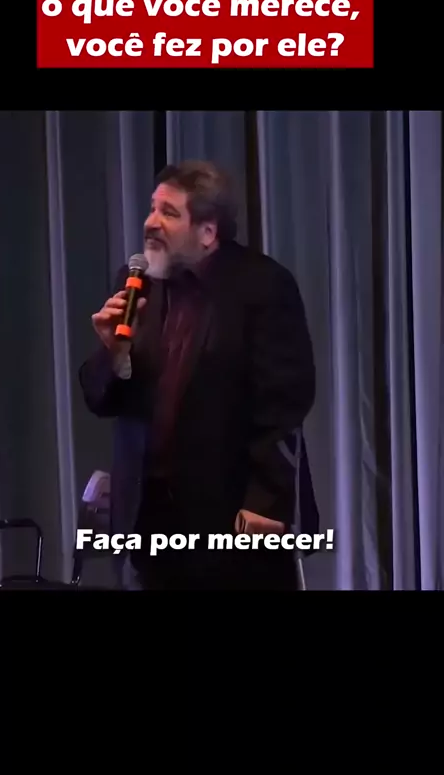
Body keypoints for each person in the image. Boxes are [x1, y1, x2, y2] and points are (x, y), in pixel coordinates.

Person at [78, 160, 318, 590]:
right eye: (152, 208)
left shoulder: (262, 285)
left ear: (208, 232)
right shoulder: (135, 284)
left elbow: (284, 405)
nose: (151, 222)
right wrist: (114, 355)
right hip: (148, 521)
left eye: (169, 213)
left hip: (232, 517)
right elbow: (100, 399)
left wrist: (263, 505)